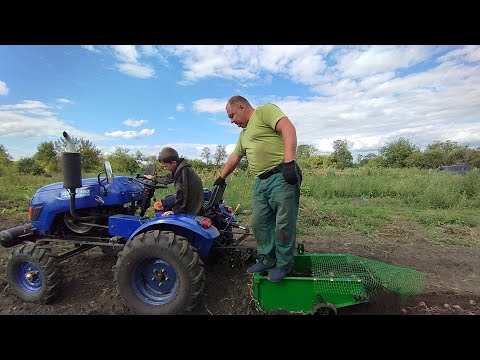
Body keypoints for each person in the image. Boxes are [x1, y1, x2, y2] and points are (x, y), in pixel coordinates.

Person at [214, 96, 302, 282]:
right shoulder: (244, 134)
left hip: (281, 175)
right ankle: (267, 258)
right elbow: (234, 157)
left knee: (283, 223)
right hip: (261, 181)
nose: (231, 121)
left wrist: (289, 162)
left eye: (232, 116)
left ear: (241, 107)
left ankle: (283, 264)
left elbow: (288, 128)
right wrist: (221, 177)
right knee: (259, 222)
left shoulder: (265, 111)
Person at [146, 147, 204, 216]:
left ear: (173, 163)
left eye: (165, 166)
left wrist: (175, 211)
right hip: (191, 200)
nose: (164, 168)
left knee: (158, 205)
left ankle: (162, 223)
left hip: (191, 205)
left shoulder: (181, 172)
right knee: (167, 199)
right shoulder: (180, 168)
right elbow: (168, 178)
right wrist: (153, 178)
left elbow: (182, 193)